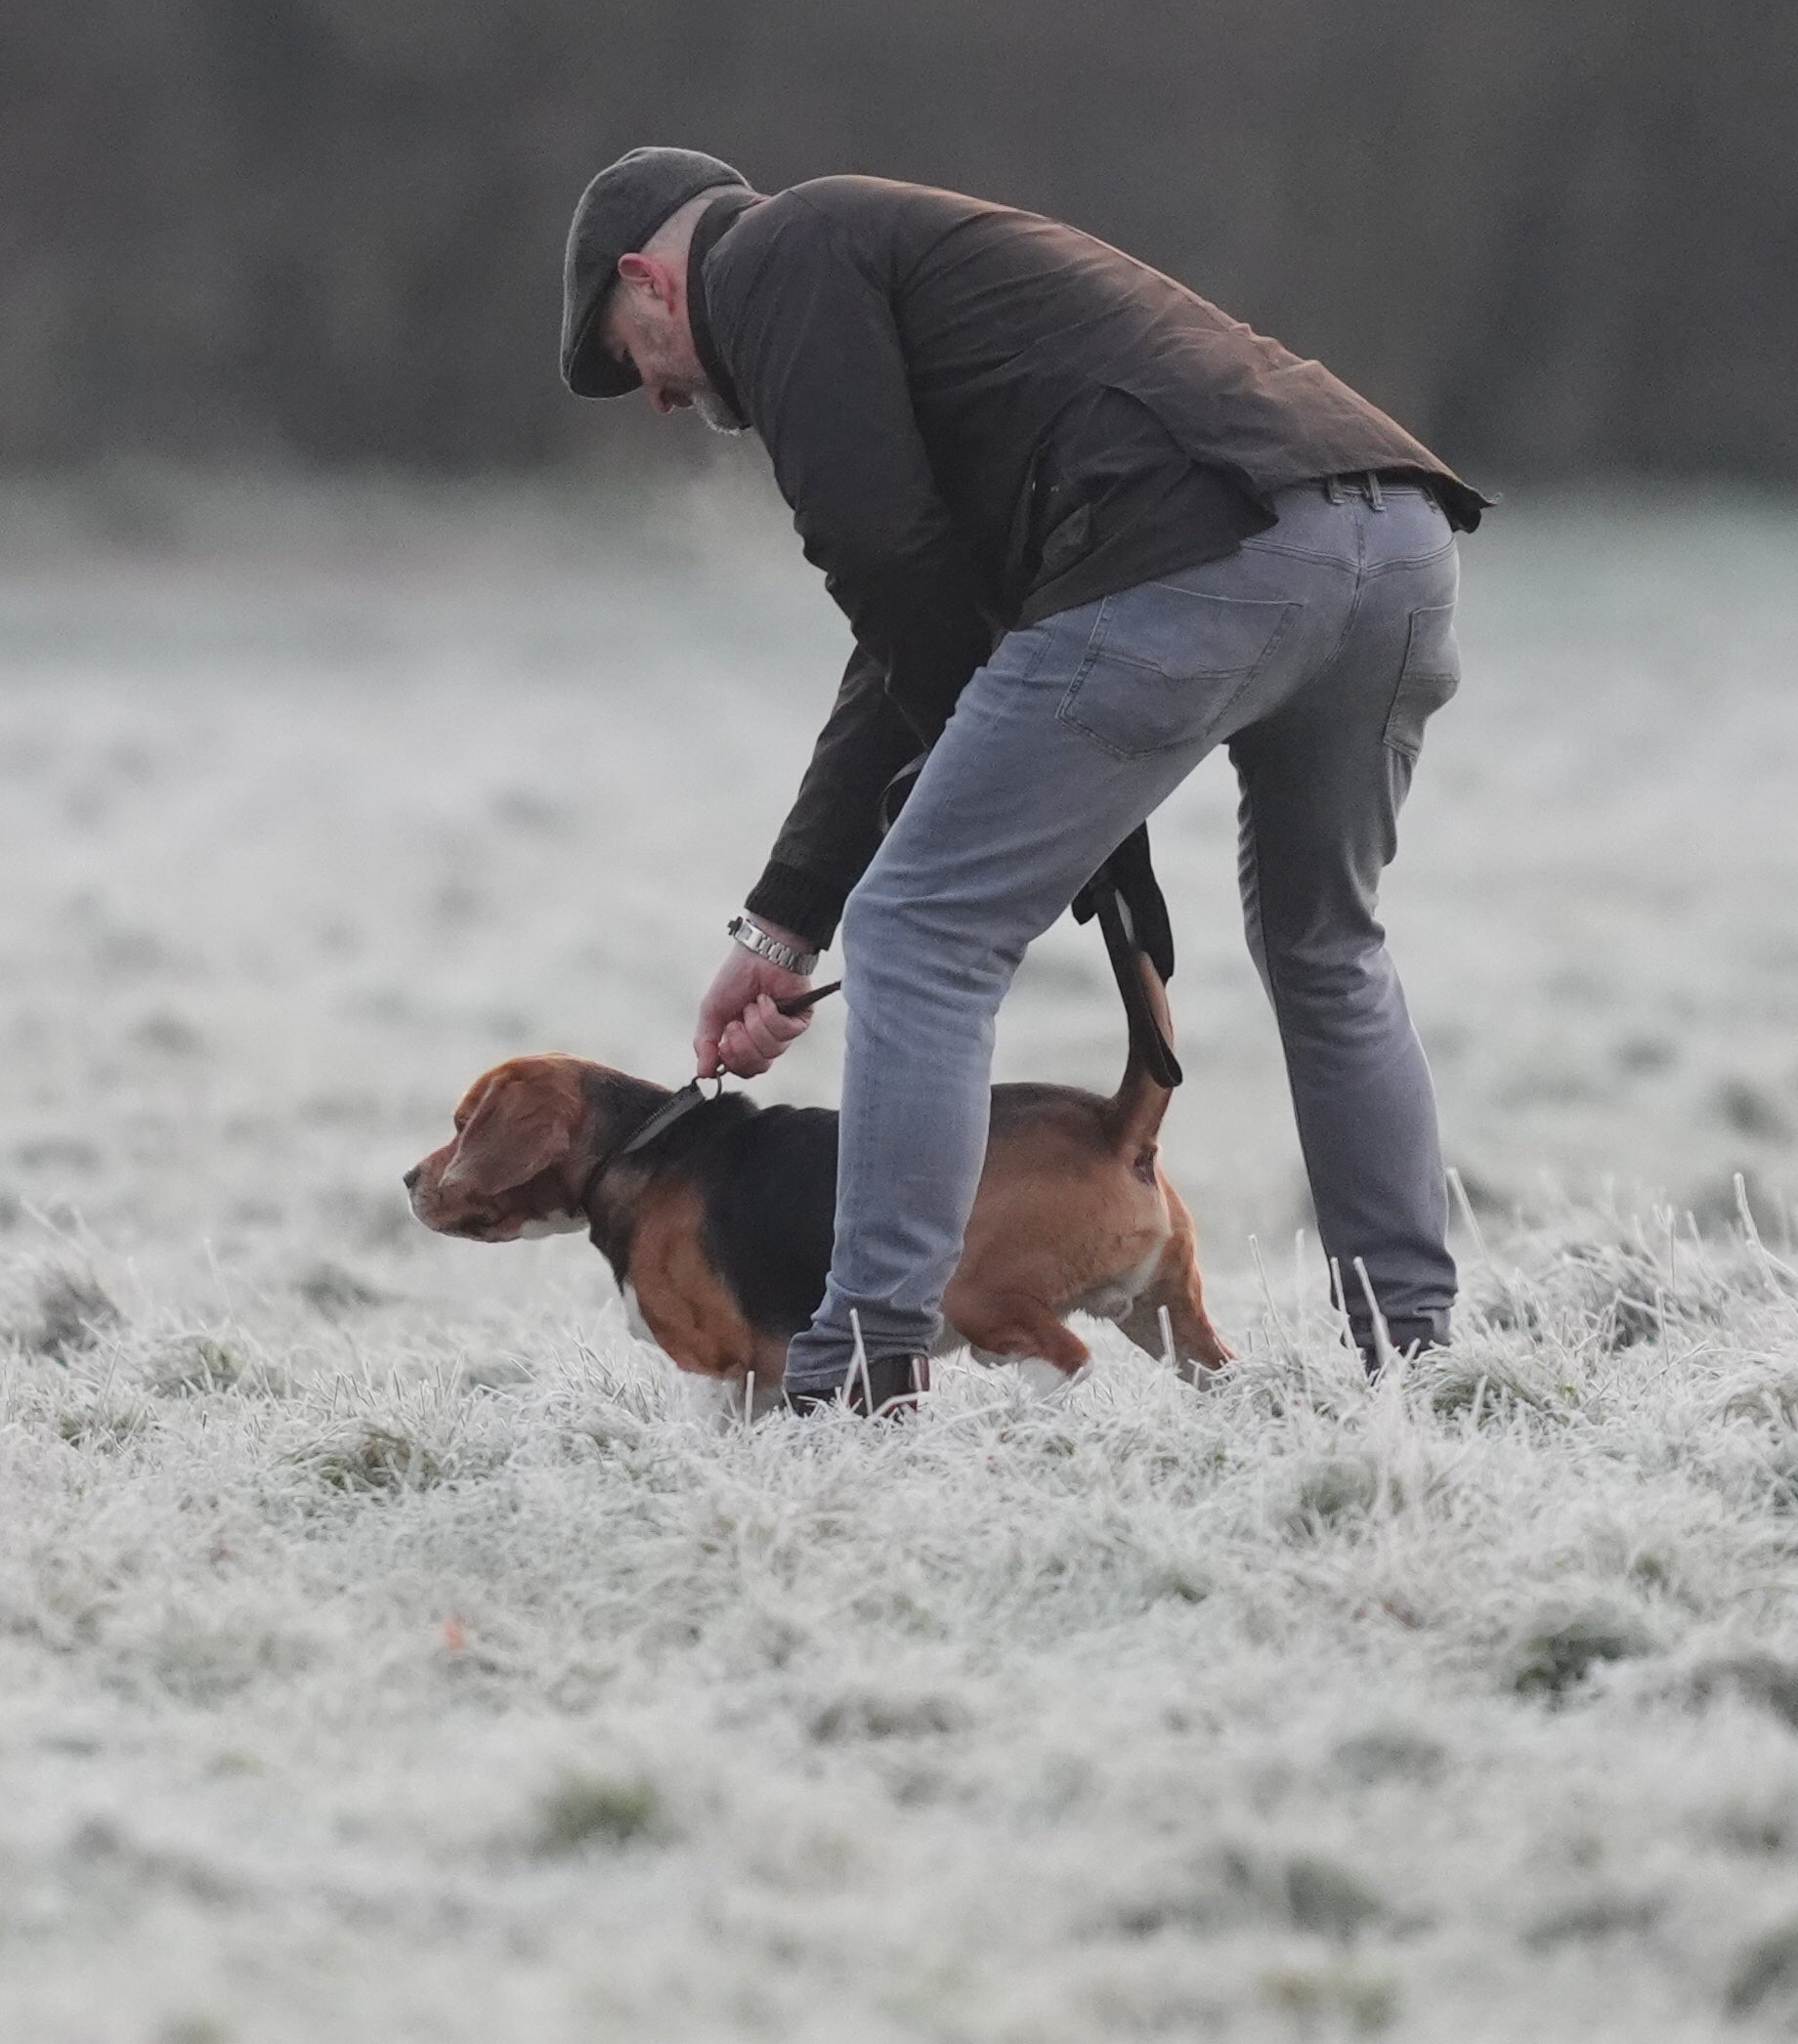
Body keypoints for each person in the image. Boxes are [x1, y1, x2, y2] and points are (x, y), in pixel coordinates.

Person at [559, 149, 1483, 1411]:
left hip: (1196, 555)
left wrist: (1019, 792)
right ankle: (1419, 1356)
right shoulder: (883, 272)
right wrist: (782, 925)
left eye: (630, 361)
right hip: (1389, 534)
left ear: (650, 281)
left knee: (919, 929)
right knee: (1327, 945)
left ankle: (861, 1373)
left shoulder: (775, 261)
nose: (657, 400)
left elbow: (884, 556)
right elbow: (905, 619)